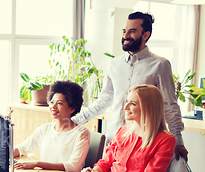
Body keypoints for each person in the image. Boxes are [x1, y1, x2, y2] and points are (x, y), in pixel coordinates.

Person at [72, 11, 188, 161]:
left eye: (132, 31)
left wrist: (178, 140)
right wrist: (75, 121)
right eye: (124, 31)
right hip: (113, 142)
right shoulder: (114, 64)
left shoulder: (160, 65)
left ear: (145, 35)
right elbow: (104, 100)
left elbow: (170, 105)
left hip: (143, 144)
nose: (125, 35)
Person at [79, 85, 176, 172]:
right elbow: (105, 162)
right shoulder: (122, 131)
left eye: (133, 103)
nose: (125, 107)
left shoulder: (165, 140)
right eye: (127, 101)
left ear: (149, 108)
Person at [14, 80, 90, 172]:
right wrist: (2, 153)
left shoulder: (81, 133)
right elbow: (22, 148)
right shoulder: (44, 129)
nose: (53, 107)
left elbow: (73, 166)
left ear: (72, 108)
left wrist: (37, 164)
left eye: (59, 103)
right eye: (52, 102)